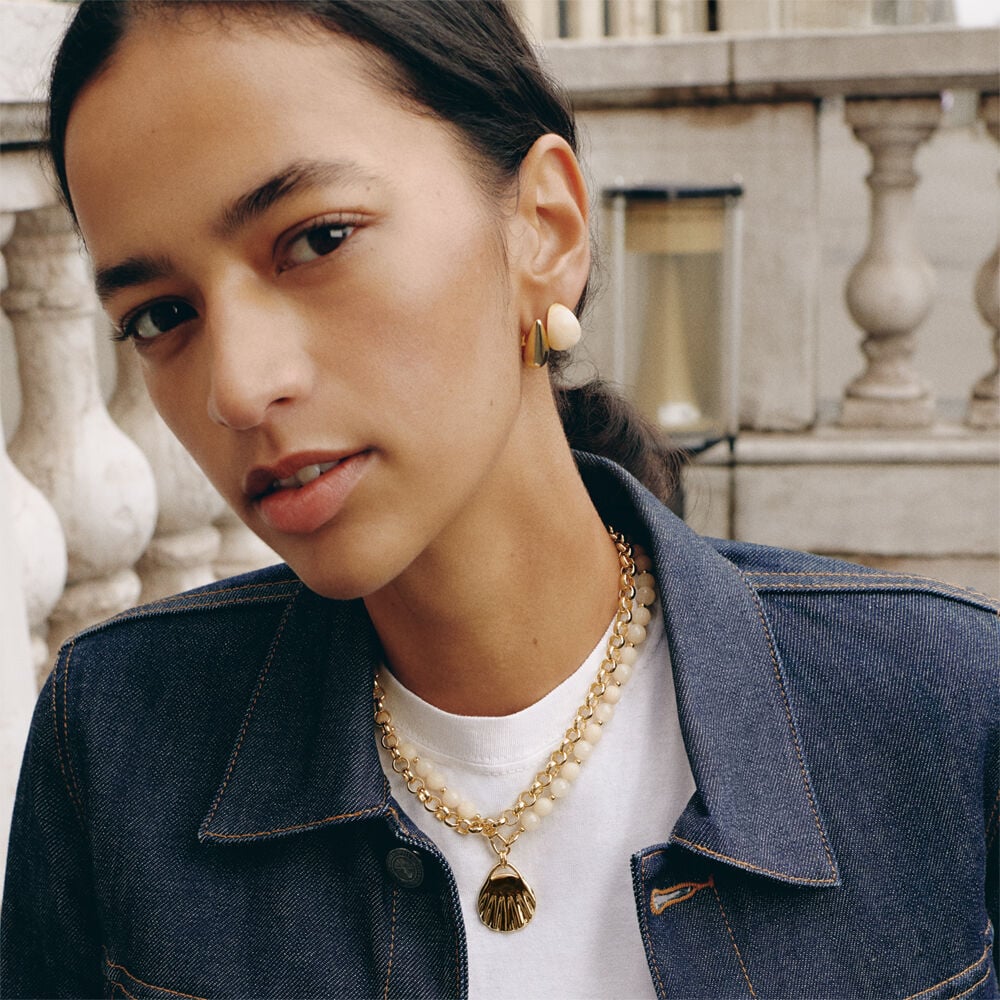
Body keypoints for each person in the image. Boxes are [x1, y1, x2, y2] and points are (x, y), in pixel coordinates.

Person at [1, 1, 997, 997]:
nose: (236, 387)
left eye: (317, 239)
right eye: (160, 315)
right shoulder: (116, 741)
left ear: (543, 230)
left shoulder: (942, 711)